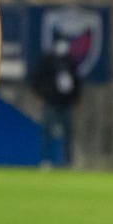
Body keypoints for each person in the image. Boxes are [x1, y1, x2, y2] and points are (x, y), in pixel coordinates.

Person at [30, 37, 82, 167]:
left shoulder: (70, 62)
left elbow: (77, 83)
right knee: (47, 132)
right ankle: (46, 160)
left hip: (65, 104)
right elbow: (36, 80)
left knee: (67, 134)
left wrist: (74, 98)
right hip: (51, 102)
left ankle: (67, 161)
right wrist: (45, 94)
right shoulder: (48, 61)